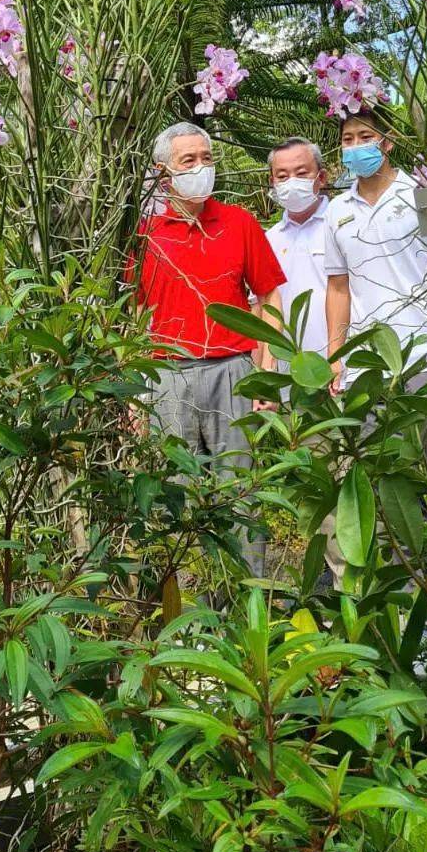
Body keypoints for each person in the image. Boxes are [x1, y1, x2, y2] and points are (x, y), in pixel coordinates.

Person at [131, 120, 285, 573]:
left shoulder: (238, 222)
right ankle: (191, 615)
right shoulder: (143, 233)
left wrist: (265, 369)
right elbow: (132, 312)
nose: (201, 168)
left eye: (207, 159)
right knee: (171, 496)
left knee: (240, 493)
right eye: (188, 161)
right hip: (166, 378)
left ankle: (247, 605)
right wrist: (137, 394)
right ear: (163, 173)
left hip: (233, 371)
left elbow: (269, 294)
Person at [323, 108, 427, 481]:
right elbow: (338, 287)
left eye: (365, 138)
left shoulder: (422, 194)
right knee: (384, 479)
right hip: (366, 366)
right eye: (347, 140)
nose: (355, 147)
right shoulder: (336, 210)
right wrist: (335, 356)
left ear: (387, 142)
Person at [266, 138, 329, 356]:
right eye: (282, 176)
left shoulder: (341, 225)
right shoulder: (269, 239)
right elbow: (261, 306)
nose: (292, 182)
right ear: (272, 181)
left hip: (344, 363)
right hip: (288, 368)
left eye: (301, 174)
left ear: (321, 177)